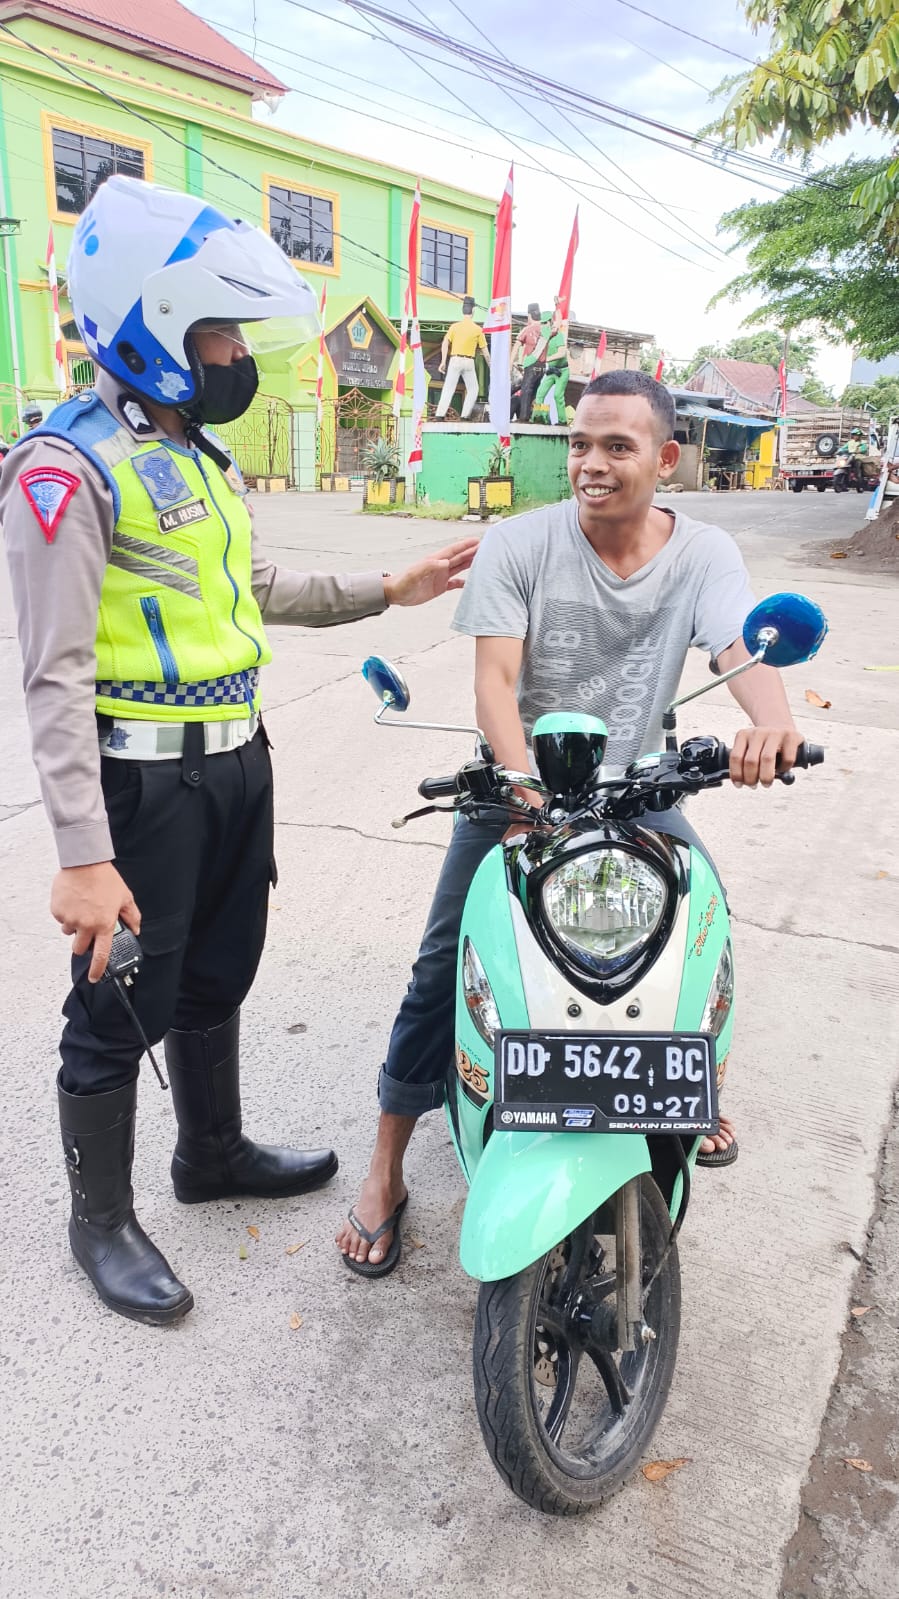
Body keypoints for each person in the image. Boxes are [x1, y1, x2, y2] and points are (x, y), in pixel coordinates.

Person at [0, 174, 478, 1327]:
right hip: (140, 781)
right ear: (152, 329)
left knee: (219, 968)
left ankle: (208, 1152)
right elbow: (54, 675)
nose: (232, 355)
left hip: (234, 763)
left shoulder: (196, 459)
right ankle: (99, 1223)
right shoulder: (66, 470)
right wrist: (80, 853)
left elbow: (257, 593)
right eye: (216, 332)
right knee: (118, 1003)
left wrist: (387, 584)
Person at [337, 368, 806, 1276]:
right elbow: (494, 682)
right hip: (519, 787)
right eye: (580, 444)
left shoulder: (704, 554)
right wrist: (521, 793)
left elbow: (737, 644)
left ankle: (684, 1091)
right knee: (447, 965)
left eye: (617, 446)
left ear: (664, 458)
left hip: (639, 784)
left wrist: (771, 721)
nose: (591, 463)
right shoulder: (520, 542)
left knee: (697, 938)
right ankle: (386, 1164)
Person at [435, 296, 490, 420]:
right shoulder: (478, 330)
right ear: (473, 310)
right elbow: (485, 353)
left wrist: (443, 361)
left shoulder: (454, 327)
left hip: (455, 360)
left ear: (463, 310)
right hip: (469, 361)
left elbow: (445, 343)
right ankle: (465, 416)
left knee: (448, 388)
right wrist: (491, 366)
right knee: (473, 389)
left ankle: (439, 415)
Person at [532, 303, 570, 425]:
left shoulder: (558, 336)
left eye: (544, 323)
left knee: (558, 396)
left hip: (562, 372)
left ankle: (563, 421)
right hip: (551, 371)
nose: (543, 326)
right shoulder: (544, 337)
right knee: (540, 393)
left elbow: (562, 353)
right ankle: (541, 418)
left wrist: (547, 358)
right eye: (541, 323)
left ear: (549, 322)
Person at [511, 303, 546, 423]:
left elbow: (516, 347)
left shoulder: (527, 329)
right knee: (535, 393)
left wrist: (510, 363)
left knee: (526, 391)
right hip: (542, 367)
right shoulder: (545, 330)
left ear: (529, 315)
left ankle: (524, 418)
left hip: (531, 366)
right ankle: (534, 417)